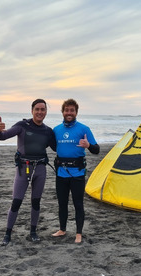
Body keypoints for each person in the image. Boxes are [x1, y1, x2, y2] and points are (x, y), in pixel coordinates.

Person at [0, 99, 56, 246]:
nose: (40, 112)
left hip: (40, 168)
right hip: (24, 168)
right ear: (32, 111)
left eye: (43, 109)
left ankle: (33, 232)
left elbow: (56, 148)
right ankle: (8, 234)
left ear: (46, 112)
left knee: (36, 202)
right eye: (37, 109)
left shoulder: (48, 131)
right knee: (17, 201)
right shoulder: (22, 125)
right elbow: (3, 136)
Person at [52, 99, 99, 244]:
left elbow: (96, 150)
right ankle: (62, 229)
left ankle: (78, 233)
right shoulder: (56, 130)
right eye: (67, 110)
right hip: (61, 173)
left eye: (72, 110)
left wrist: (88, 145)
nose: (69, 113)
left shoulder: (84, 129)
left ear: (76, 112)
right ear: (63, 112)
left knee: (78, 204)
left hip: (77, 174)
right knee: (62, 203)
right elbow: (53, 147)